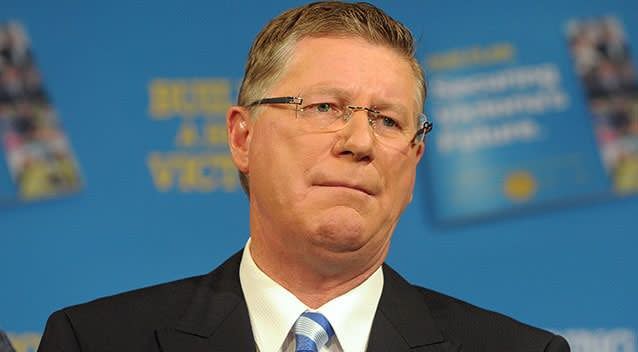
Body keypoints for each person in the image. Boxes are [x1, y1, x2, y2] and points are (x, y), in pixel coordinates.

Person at [38, 2, 570, 351]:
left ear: (413, 164)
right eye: (323, 107)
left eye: (387, 120)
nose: (359, 142)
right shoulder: (94, 340)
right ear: (243, 137)